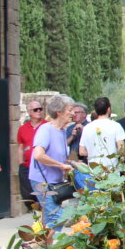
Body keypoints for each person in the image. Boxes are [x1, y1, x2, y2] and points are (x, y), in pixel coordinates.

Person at [29, 94, 75, 228]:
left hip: (55, 183)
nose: (72, 113)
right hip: (43, 183)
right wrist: (61, 165)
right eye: (70, 110)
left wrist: (72, 164)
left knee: (49, 222)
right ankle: (54, 248)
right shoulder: (46, 129)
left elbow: (58, 156)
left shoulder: (62, 131)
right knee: (56, 219)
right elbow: (38, 155)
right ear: (59, 112)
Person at [78, 97, 125, 189]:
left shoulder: (87, 128)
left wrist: (94, 152)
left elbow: (81, 151)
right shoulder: (116, 126)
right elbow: (122, 150)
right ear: (109, 109)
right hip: (112, 172)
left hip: (94, 172)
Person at [16, 99, 45, 211]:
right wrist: (20, 162)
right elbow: (20, 146)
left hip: (42, 165)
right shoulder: (23, 128)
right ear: (29, 112)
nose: (38, 111)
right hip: (27, 166)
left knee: (42, 192)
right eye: (35, 109)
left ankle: (42, 213)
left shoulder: (46, 126)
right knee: (27, 193)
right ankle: (35, 210)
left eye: (40, 109)